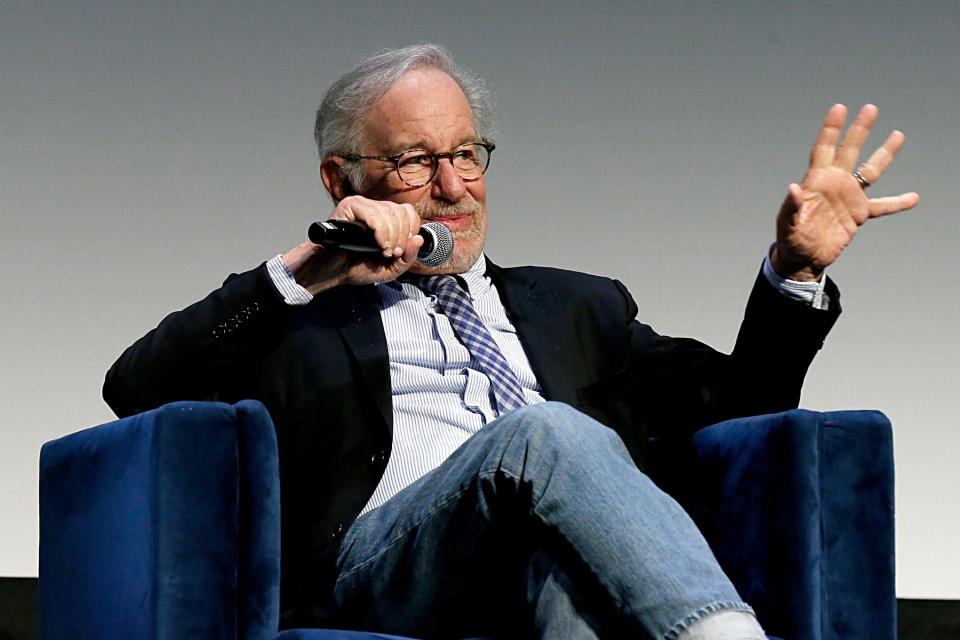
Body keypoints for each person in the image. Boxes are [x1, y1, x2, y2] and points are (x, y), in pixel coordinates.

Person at [103, 44, 918, 639]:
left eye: (465, 153)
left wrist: (793, 270)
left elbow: (743, 407)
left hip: (542, 552)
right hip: (386, 572)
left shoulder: (579, 304)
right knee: (543, 433)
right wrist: (302, 272)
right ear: (341, 178)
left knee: (564, 578)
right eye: (418, 162)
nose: (454, 188)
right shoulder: (300, 315)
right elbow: (134, 387)